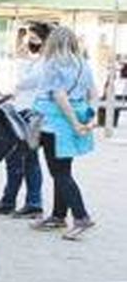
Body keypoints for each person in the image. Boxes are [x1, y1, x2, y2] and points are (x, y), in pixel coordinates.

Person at [29, 26, 97, 240]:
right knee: (63, 169)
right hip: (71, 122)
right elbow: (93, 93)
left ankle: (81, 217)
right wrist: (90, 117)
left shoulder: (52, 64)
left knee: (60, 173)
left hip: (54, 123)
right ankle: (58, 216)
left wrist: (75, 123)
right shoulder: (83, 64)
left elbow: (59, 97)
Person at [0, 22, 51, 217]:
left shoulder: (46, 63)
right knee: (14, 157)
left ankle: (33, 202)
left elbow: (24, 82)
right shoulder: (37, 61)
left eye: (33, 39)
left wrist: (22, 60)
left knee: (28, 159)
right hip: (21, 111)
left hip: (33, 115)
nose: (28, 43)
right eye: (27, 39)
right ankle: (9, 199)